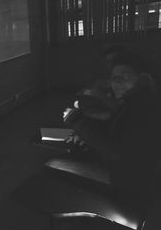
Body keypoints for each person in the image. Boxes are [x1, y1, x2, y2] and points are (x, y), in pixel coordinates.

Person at [63, 53, 161, 199]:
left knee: (57, 163)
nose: (117, 82)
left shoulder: (142, 107)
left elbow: (114, 150)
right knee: (67, 140)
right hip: (132, 170)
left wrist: (75, 119)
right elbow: (120, 130)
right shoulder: (138, 99)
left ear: (142, 78)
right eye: (114, 77)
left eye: (125, 77)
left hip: (128, 183)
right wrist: (85, 134)